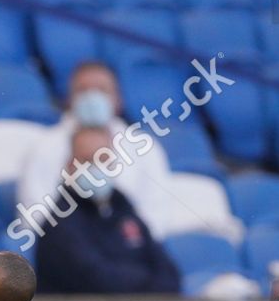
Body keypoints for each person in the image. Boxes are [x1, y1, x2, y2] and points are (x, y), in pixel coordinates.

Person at [16, 60, 175, 239]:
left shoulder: (145, 147)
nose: (92, 98)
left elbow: (156, 213)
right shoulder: (44, 147)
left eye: (102, 90)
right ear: (68, 99)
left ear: (118, 99)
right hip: (64, 246)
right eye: (82, 90)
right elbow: (34, 215)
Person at [35, 128, 181, 296]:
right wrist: (148, 281)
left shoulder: (122, 207)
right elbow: (99, 281)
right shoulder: (59, 223)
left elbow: (169, 274)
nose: (96, 167)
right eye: (86, 160)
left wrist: (143, 282)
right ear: (69, 166)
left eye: (103, 159)